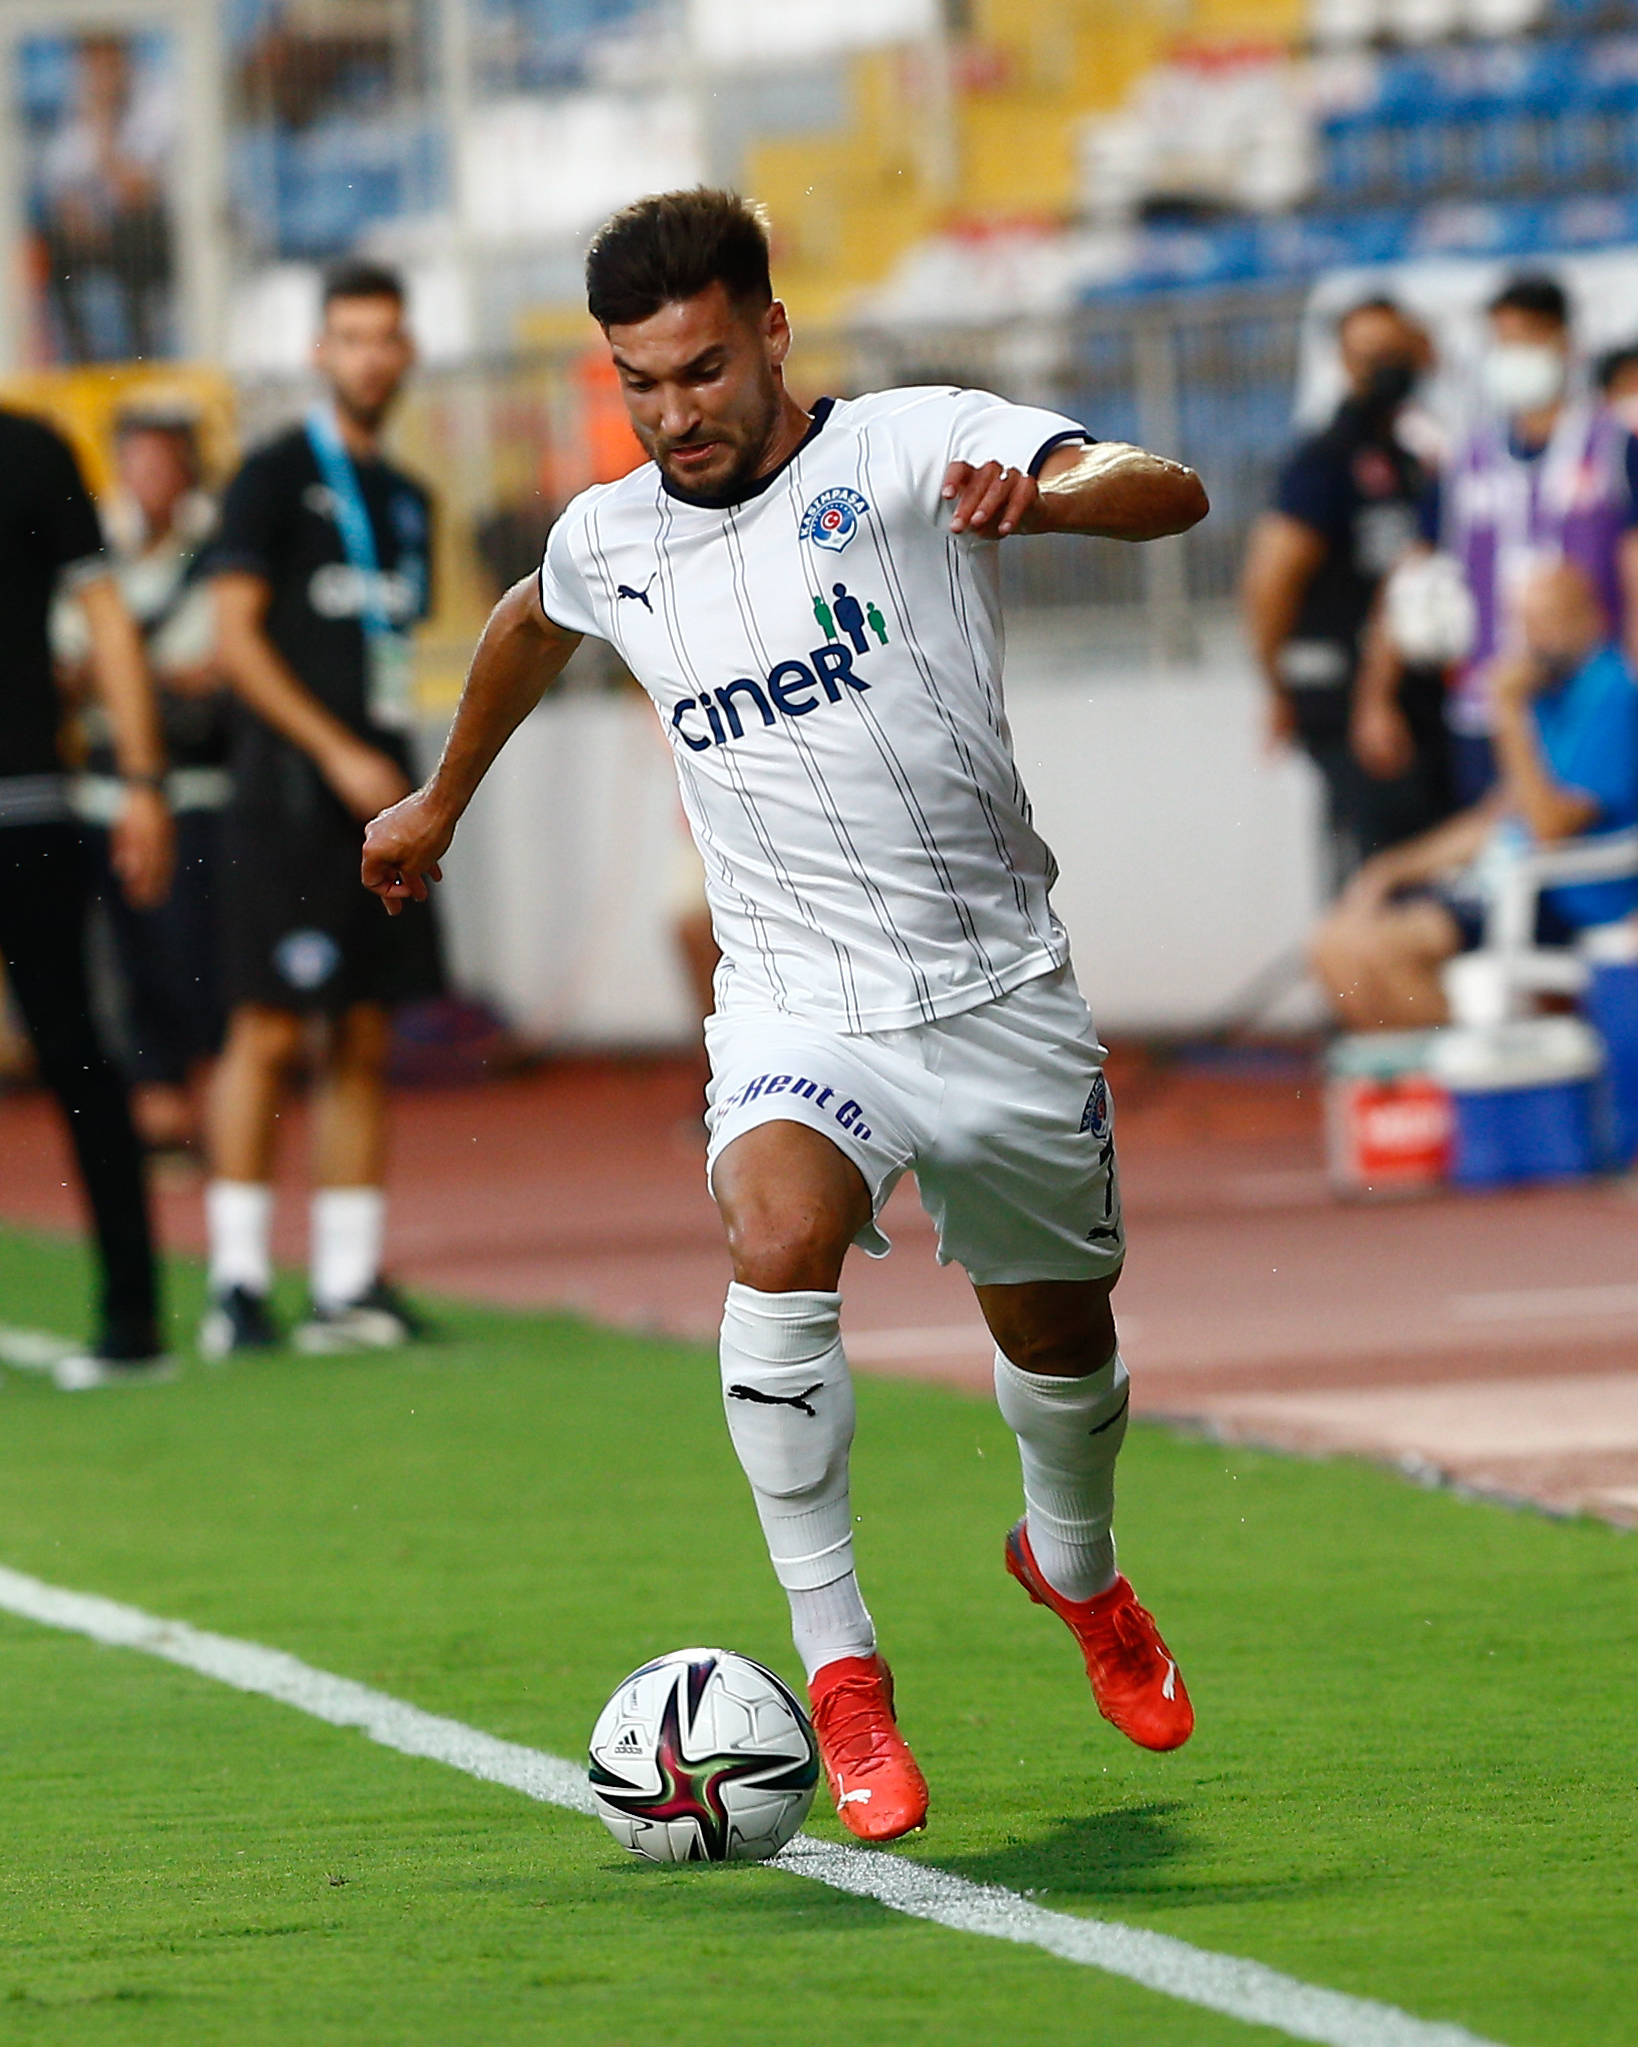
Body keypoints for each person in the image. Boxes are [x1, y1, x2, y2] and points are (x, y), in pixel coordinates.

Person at [361, 190, 1210, 1842]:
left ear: (769, 332)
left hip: (997, 991)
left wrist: (1046, 493)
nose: (671, 412)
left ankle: (1074, 1568)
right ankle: (842, 1673)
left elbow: (1157, 484)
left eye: (698, 370)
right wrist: (438, 797)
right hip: (792, 1001)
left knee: (1059, 1343)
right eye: (637, 383)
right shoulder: (614, 535)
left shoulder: (906, 447)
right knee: (772, 1240)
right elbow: (529, 622)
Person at [203, 258, 442, 1359]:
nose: (370, 357)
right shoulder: (270, 476)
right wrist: (336, 749)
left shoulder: (409, 500)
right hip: (290, 798)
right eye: (351, 337)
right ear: (319, 351)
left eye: (386, 337)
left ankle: (346, 1285)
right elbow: (234, 639)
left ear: (407, 352)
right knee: (266, 1025)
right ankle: (237, 1284)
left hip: (382, 802)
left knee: (361, 1026)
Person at [0, 402, 173, 1387]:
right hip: (29, 804)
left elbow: (105, 616)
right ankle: (135, 1313)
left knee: (73, 1048)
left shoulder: (30, 450)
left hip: (25, 799)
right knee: (76, 1050)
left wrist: (141, 779)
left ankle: (135, 1312)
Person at [1312, 561, 1638, 1030]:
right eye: (1525, 624)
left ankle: (1458, 1067)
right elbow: (1494, 819)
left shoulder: (1612, 693)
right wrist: (1391, 868)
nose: (1535, 639)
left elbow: (1550, 827)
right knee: (1331, 946)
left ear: (1592, 617)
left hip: (1564, 895)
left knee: (1380, 950)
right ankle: (1433, 1067)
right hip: (1498, 881)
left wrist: (1507, 710)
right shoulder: (1547, 693)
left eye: (1549, 620)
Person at [1355, 274, 1638, 808]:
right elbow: (1411, 578)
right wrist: (1376, 698)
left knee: (1581, 844)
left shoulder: (1614, 447)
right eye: (1501, 341)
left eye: (1526, 338)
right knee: (1496, 847)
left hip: (1587, 707)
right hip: (1486, 707)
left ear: (1563, 342)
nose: (1512, 355)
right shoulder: (1466, 459)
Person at [57, 408, 228, 1156]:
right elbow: (66, 667)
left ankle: (212, 1103)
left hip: (195, 788)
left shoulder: (217, 552)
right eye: (139, 461)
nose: (152, 477)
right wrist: (149, 680)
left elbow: (218, 671)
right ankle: (156, 1103)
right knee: (123, 957)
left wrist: (120, 674)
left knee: (194, 951)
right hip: (102, 793)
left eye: (165, 461)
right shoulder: (92, 554)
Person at [1242, 297, 1451, 880]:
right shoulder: (1326, 459)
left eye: (1396, 352)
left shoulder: (1413, 456)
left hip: (1415, 695)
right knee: (1379, 866)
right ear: (1343, 361)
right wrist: (1276, 685)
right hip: (1346, 697)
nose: (1388, 367)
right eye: (1371, 355)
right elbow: (1269, 580)